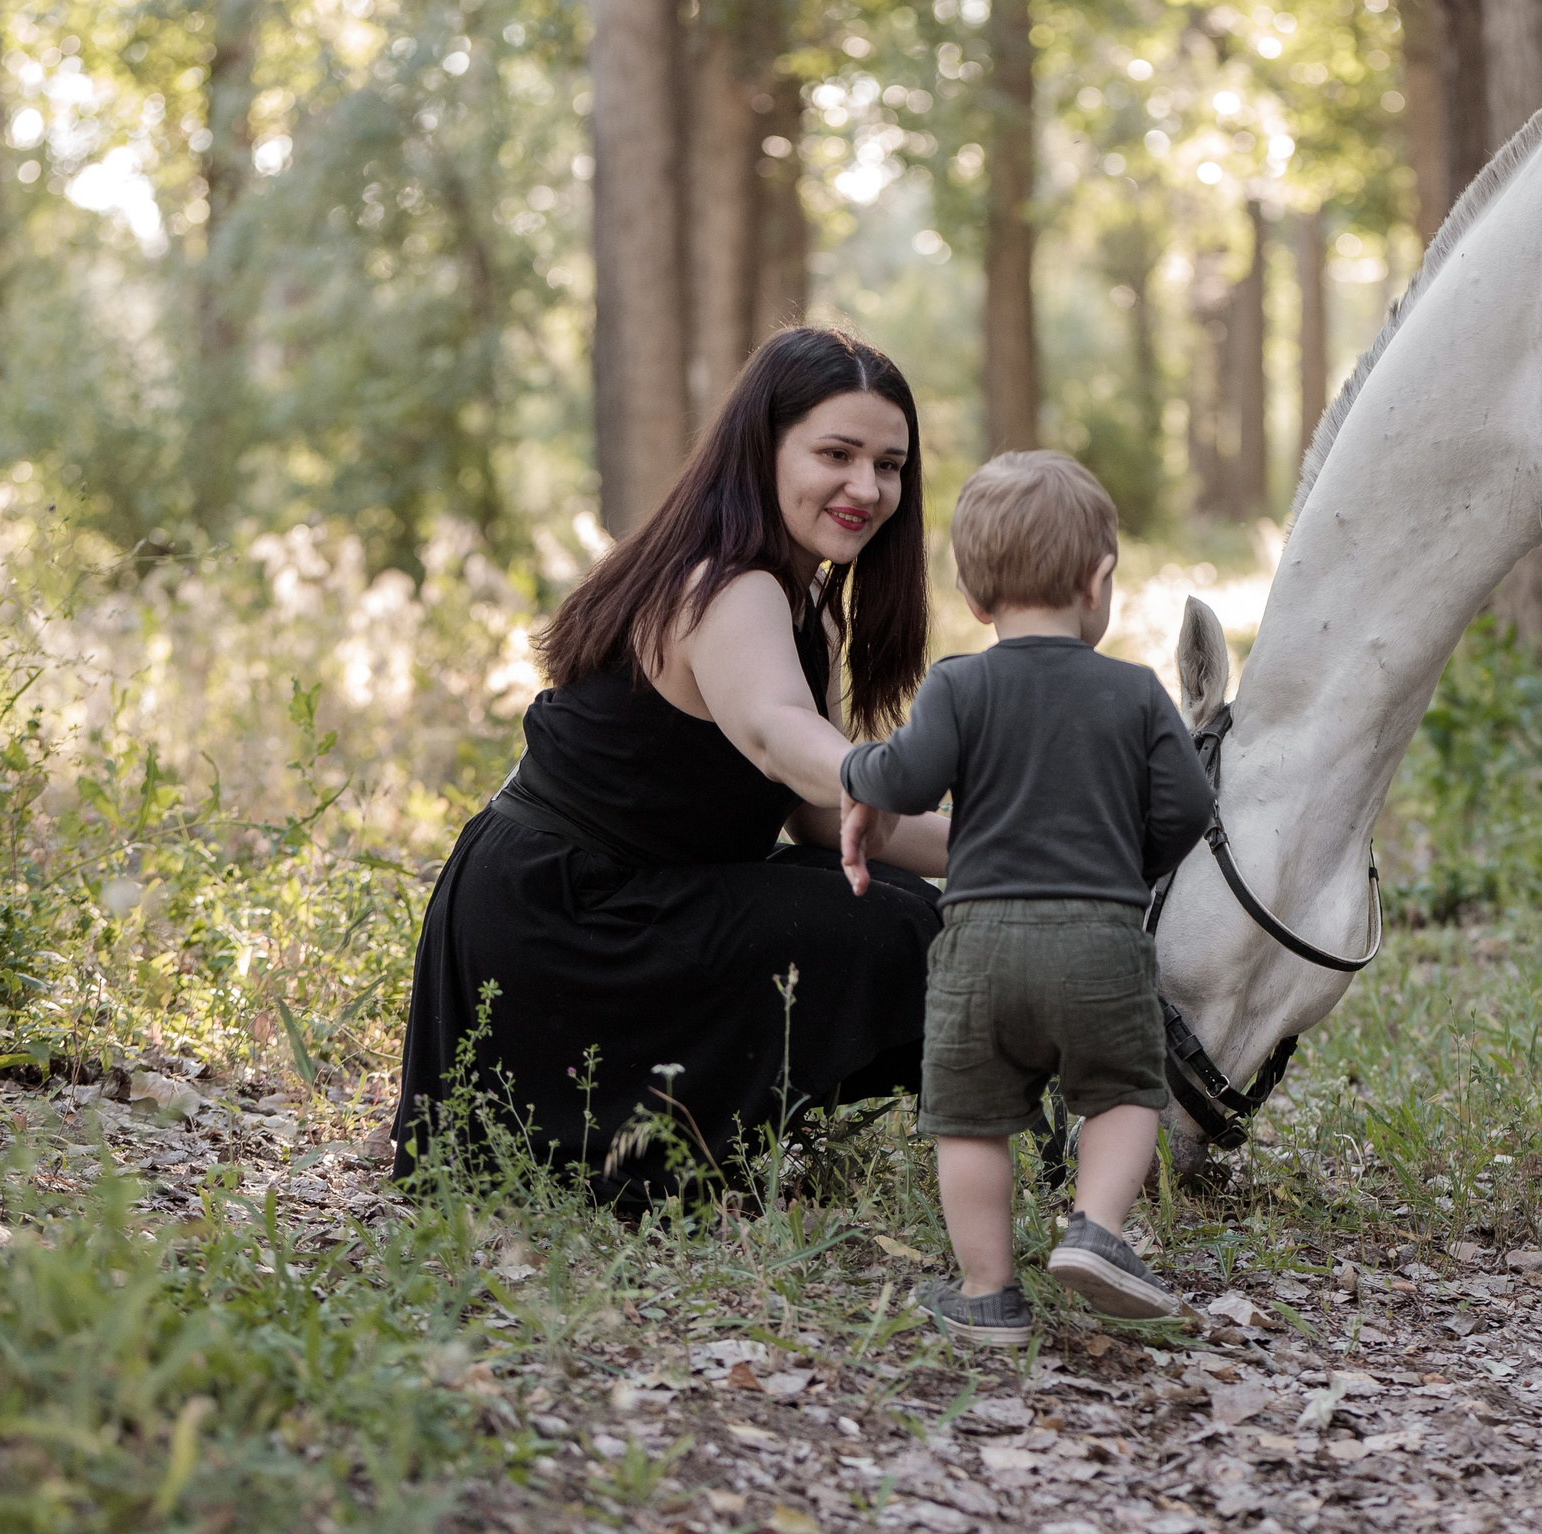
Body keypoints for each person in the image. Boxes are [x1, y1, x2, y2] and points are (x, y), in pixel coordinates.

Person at [390, 328, 950, 1200]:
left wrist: (1000, 847)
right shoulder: (727, 586)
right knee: (900, 929)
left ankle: (688, 1135)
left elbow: (814, 815)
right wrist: (887, 773)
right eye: (836, 454)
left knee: (917, 905)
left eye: (889, 464)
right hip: (564, 924)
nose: (867, 488)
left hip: (610, 901)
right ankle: (629, 1143)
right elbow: (774, 733)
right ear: (762, 446)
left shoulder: (810, 615)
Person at [839, 451, 1216, 1344]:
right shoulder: (1134, 692)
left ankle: (987, 1294)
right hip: (1099, 938)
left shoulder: (959, 684)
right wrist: (1129, 859)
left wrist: (856, 773)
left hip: (979, 943)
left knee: (970, 1119)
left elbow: (904, 775)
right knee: (1125, 1091)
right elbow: (1192, 807)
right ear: (1099, 582)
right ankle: (1095, 1230)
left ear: (973, 599)